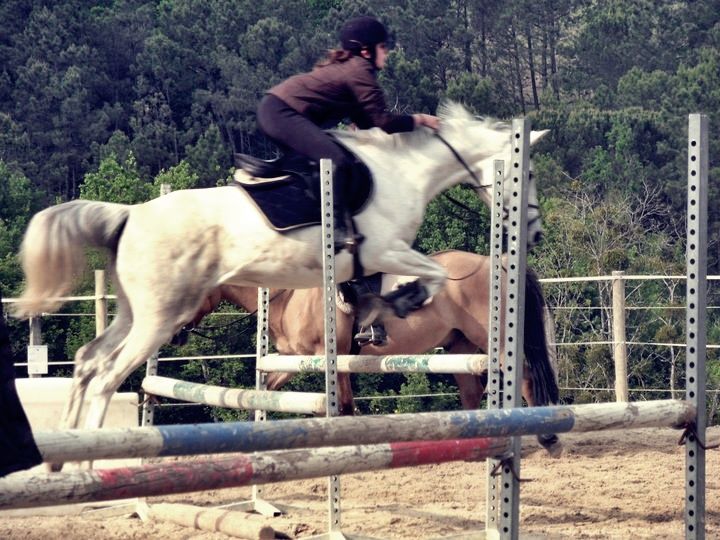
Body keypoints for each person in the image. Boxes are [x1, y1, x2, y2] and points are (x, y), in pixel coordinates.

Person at [256, 15, 440, 251]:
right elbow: (383, 121)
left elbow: (366, 121)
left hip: (277, 110)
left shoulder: (353, 69)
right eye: (383, 47)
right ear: (366, 51)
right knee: (337, 161)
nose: (387, 52)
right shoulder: (359, 71)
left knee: (328, 161)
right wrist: (420, 119)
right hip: (280, 112)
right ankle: (337, 230)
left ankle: (307, 225)